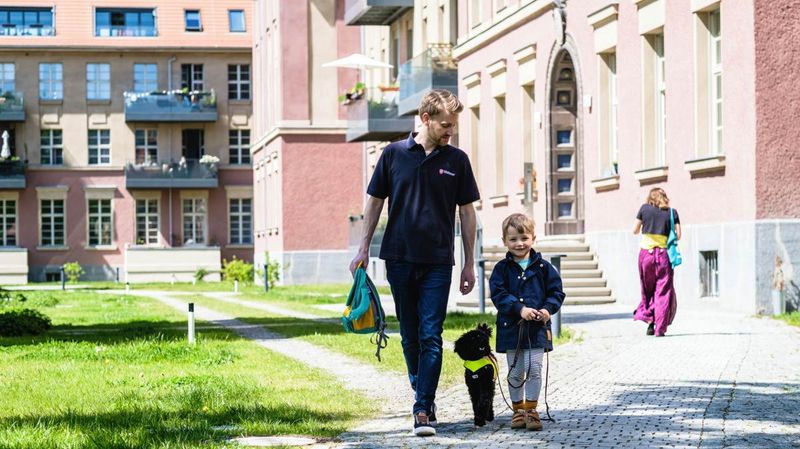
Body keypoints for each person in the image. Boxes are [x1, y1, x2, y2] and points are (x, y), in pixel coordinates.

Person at [349, 89, 479, 437]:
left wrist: (469, 262)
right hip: (399, 258)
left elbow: (467, 213)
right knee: (409, 336)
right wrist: (363, 248)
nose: (451, 131)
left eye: (453, 125)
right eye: (446, 125)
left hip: (438, 261)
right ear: (425, 119)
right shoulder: (393, 154)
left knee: (431, 334)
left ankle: (422, 407)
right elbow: (374, 203)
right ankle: (422, 391)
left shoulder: (458, 160)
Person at [489, 213, 565, 432]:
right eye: (513, 239)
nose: (519, 243)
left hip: (537, 330)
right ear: (504, 241)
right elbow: (498, 294)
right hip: (511, 329)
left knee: (534, 369)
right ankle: (518, 410)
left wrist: (547, 310)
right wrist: (519, 309)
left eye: (524, 238)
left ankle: (531, 409)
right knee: (515, 371)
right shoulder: (501, 269)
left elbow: (556, 292)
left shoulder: (544, 268)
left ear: (533, 238)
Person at [633, 187, 680, 336]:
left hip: (646, 256)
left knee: (648, 290)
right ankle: (660, 328)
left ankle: (649, 320)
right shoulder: (672, 213)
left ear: (650, 198)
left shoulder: (644, 209)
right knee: (663, 291)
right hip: (664, 256)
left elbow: (634, 230)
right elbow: (678, 235)